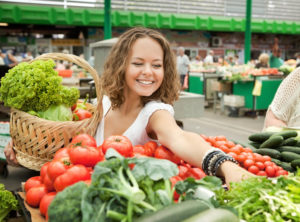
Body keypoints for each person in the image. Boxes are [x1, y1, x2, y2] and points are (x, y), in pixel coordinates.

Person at [5, 27, 252, 186]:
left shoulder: (155, 112)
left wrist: (226, 166)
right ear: (121, 65)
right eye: (138, 63)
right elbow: (67, 146)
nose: (148, 72)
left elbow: (181, 138)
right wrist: (25, 147)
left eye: (157, 65)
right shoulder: (102, 104)